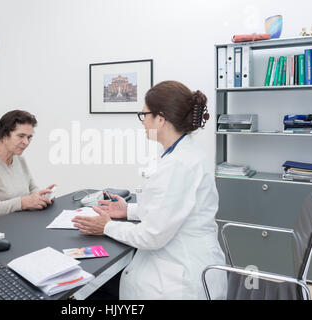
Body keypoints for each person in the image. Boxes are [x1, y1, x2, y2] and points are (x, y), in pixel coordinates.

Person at [72, 81, 227, 300]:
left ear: (160, 119)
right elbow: (172, 209)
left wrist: (107, 226)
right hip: (193, 260)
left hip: (179, 279)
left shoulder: (178, 165)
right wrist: (128, 211)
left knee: (91, 291)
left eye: (144, 115)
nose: (143, 122)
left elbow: (152, 236)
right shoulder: (185, 152)